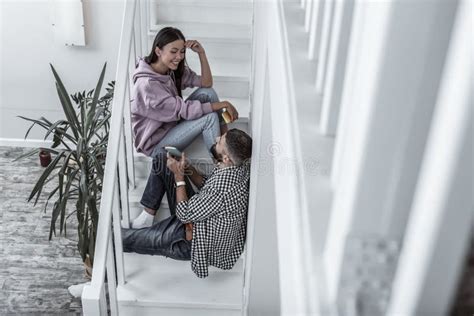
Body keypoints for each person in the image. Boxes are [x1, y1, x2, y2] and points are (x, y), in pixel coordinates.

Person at [131, 27, 239, 228]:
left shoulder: (172, 70)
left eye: (182, 51)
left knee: (209, 93)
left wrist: (201, 54)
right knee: (208, 117)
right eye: (173, 51)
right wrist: (222, 105)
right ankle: (221, 166)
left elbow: (206, 83)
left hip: (171, 127)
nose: (179, 57)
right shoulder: (147, 85)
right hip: (156, 145)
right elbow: (185, 110)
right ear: (158, 50)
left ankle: (227, 144)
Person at [122, 129, 252, 278]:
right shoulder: (239, 167)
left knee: (125, 238)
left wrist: (179, 176)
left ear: (227, 158)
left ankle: (98, 245)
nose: (216, 139)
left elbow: (184, 214)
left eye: (220, 142)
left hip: (191, 240)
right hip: (197, 215)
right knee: (161, 156)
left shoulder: (222, 188)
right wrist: (188, 167)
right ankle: (147, 216)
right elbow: (207, 185)